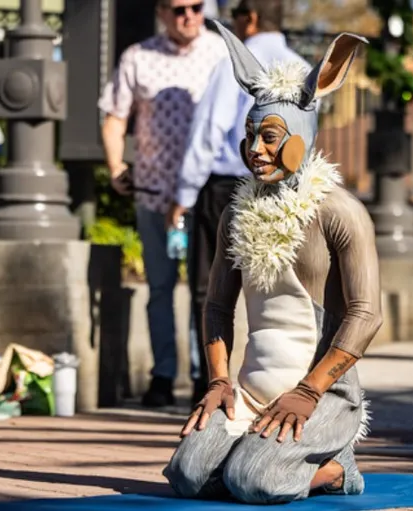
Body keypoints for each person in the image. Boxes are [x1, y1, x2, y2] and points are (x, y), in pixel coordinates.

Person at [163, 22, 381, 504]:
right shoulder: (235, 211)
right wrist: (218, 380)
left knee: (254, 480)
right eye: (251, 136)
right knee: (187, 474)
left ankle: (336, 468)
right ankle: (253, 451)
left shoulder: (340, 211)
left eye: (270, 136)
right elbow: (216, 305)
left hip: (322, 392)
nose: (257, 150)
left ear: (301, 134)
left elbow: (366, 314)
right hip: (249, 389)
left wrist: (309, 392)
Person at [167, 0, 310, 404]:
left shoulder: (236, 64)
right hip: (285, 187)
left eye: (235, 17)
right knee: (283, 287)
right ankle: (279, 381)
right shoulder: (299, 68)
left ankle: (212, 382)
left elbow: (209, 129)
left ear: (250, 19)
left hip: (226, 184)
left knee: (210, 288)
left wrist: (184, 193)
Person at [97, 0, 228, 407]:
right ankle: (163, 373)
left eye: (195, 6)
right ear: (160, 11)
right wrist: (116, 164)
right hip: (154, 194)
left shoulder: (221, 52)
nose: (187, 15)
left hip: (203, 196)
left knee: (204, 293)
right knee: (160, 288)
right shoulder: (139, 56)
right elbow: (116, 115)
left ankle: (203, 376)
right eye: (177, 8)